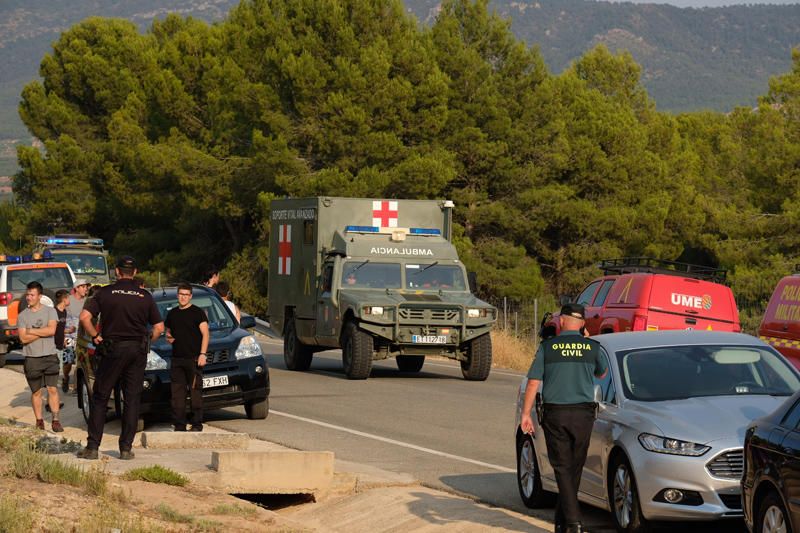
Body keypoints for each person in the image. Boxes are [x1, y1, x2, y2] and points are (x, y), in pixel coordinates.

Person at [520, 303, 608, 533]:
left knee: (562, 467)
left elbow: (532, 382)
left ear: (561, 322)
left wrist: (525, 413)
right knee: (573, 468)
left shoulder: (548, 347)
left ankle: (574, 523)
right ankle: (562, 523)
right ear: (582, 324)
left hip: (556, 414)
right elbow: (602, 372)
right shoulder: (592, 347)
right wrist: (587, 340)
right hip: (584, 415)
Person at [76, 256, 164, 460]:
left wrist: (95, 336)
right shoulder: (145, 296)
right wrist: (147, 339)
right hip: (137, 350)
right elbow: (159, 327)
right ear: (134, 272)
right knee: (132, 399)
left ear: (116, 271)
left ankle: (92, 447)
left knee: (101, 396)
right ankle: (125, 449)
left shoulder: (105, 293)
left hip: (112, 349)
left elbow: (84, 318)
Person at [17, 281, 63, 432]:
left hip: (50, 356)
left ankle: (55, 420)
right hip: (32, 358)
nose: (29, 297)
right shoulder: (23, 316)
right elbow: (23, 339)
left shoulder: (51, 311)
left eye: (32, 294)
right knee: (36, 392)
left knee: (52, 389)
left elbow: (51, 331)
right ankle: (39, 420)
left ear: (40, 296)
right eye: (27, 294)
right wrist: (41, 331)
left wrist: (31, 331)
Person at [165, 283, 209, 432]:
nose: (183, 297)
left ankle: (197, 423)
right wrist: (168, 336)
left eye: (186, 294)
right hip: (177, 359)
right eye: (181, 294)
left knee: (195, 392)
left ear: (190, 296)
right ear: (177, 295)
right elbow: (169, 332)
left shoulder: (198, 313)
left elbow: (206, 334)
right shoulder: (172, 314)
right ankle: (179, 424)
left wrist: (203, 354)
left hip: (194, 359)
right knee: (177, 395)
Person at [54, 289, 77, 393]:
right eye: (68, 298)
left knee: (68, 359)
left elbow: (61, 329)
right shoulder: (54, 312)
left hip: (63, 341)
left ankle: (66, 378)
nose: (70, 300)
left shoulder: (64, 311)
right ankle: (53, 393)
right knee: (55, 368)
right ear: (64, 299)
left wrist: (67, 332)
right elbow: (53, 329)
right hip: (54, 344)